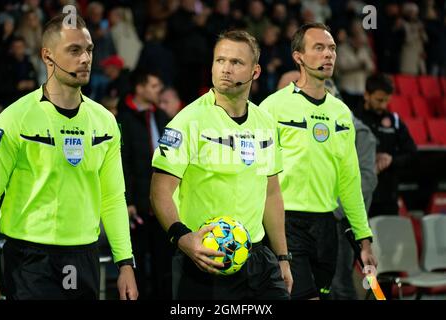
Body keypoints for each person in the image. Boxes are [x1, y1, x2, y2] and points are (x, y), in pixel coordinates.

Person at [0, 13, 137, 300]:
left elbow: (112, 197)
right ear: (47, 57)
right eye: (74, 50)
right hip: (28, 259)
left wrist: (125, 263)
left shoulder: (105, 122)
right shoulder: (14, 120)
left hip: (84, 256)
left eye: (89, 50)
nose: (85, 58)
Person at [150, 30, 293, 300]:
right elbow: (159, 191)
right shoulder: (188, 121)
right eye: (220, 60)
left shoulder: (265, 123)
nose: (226, 69)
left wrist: (282, 256)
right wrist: (183, 238)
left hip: (258, 259)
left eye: (236, 63)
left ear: (256, 71)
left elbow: (272, 193)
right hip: (204, 258)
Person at [260, 22, 377, 300]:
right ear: (298, 56)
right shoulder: (272, 108)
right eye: (319, 48)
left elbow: (350, 181)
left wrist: (365, 240)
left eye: (332, 48)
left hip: (327, 227)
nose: (329, 55)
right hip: (286, 223)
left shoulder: (341, 113)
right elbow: (256, 173)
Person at [116, 69, 171, 299]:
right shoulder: (124, 119)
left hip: (161, 204)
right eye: (154, 86)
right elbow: (122, 163)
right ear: (140, 88)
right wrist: (127, 200)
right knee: (138, 264)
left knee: (164, 265)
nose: (159, 90)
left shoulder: (161, 116)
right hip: (136, 205)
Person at [355, 74, 417, 218]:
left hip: (388, 197)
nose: (383, 105)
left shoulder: (394, 121)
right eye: (379, 100)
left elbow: (412, 153)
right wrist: (369, 159)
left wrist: (391, 160)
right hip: (360, 196)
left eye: (387, 100)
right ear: (366, 95)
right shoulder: (352, 119)